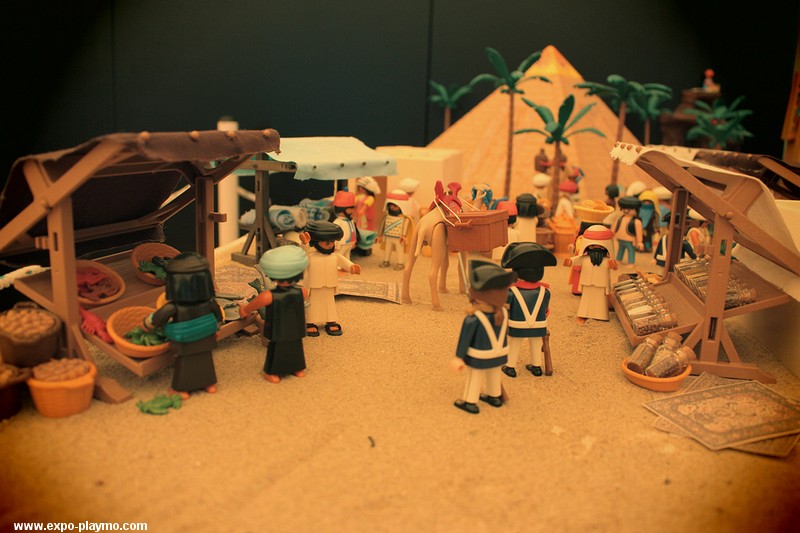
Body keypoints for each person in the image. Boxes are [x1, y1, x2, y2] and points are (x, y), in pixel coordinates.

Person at [146, 252, 222, 399]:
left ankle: (181, 389)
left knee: (185, 363)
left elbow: (157, 319)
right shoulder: (210, 303)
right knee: (205, 359)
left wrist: (147, 324)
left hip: (185, 340)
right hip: (206, 337)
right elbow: (218, 316)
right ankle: (209, 384)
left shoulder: (173, 307)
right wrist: (216, 328)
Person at [451, 259, 516, 414]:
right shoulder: (504, 312)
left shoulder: (473, 318)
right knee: (494, 374)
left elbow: (464, 340)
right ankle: (495, 397)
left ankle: (470, 401)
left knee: (475, 376)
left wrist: (459, 357)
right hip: (499, 353)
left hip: (479, 356)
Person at [239, 245, 310, 384]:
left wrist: (245, 309)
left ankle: (279, 370)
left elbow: (254, 304)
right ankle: (291, 369)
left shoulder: (269, 295)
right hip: (292, 328)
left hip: (283, 328)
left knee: (283, 349)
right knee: (291, 348)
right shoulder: (302, 291)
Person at [500, 242, 557, 378]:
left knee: (515, 343)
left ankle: (510, 367)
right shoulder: (545, 291)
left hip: (517, 324)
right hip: (538, 324)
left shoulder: (511, 292)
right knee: (535, 343)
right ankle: (536, 367)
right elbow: (546, 310)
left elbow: (505, 309)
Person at [299, 220, 361, 337]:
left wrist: (351, 267)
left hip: (329, 285)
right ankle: (310, 322)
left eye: (332, 242)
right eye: (326, 242)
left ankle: (331, 321)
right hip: (314, 285)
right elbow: (302, 258)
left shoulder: (334, 256)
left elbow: (344, 262)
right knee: (312, 305)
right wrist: (304, 244)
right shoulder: (310, 257)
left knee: (329, 305)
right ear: (316, 241)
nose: (330, 245)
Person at [566, 225, 618, 324]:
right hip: (587, 283)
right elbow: (576, 260)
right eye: (593, 246)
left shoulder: (607, 260)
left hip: (601, 284)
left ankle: (601, 315)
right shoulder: (584, 259)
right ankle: (583, 315)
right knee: (585, 300)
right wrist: (570, 261)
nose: (596, 248)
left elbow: (614, 267)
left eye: (601, 246)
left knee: (600, 301)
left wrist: (613, 265)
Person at [376, 189, 414, 270]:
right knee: (387, 249)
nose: (392, 208)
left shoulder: (405, 218)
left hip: (399, 238)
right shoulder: (386, 216)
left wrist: (404, 236)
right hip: (388, 236)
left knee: (399, 250)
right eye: (391, 205)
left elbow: (405, 227)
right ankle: (386, 261)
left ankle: (400, 263)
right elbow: (382, 225)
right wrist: (379, 235)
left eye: (395, 206)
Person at [652, 212, 697, 277]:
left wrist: (696, 258)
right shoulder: (664, 238)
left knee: (670, 277)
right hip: (663, 263)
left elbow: (692, 254)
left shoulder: (683, 241)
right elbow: (658, 249)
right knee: (661, 277)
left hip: (673, 265)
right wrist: (654, 258)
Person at [613, 196, 644, 267]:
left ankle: (631, 262)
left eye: (629, 208)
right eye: (624, 208)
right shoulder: (620, 219)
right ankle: (618, 259)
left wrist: (639, 242)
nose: (626, 210)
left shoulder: (636, 222)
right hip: (621, 239)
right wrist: (611, 234)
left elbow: (639, 232)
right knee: (620, 250)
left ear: (636, 210)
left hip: (630, 240)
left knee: (631, 251)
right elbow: (614, 227)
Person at [332, 189, 358, 260]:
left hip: (349, 243)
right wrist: (336, 245)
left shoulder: (350, 220)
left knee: (347, 257)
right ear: (342, 209)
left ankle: (347, 265)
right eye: (350, 209)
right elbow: (335, 235)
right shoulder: (338, 222)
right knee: (339, 257)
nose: (352, 211)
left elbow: (353, 230)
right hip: (342, 244)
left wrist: (354, 241)